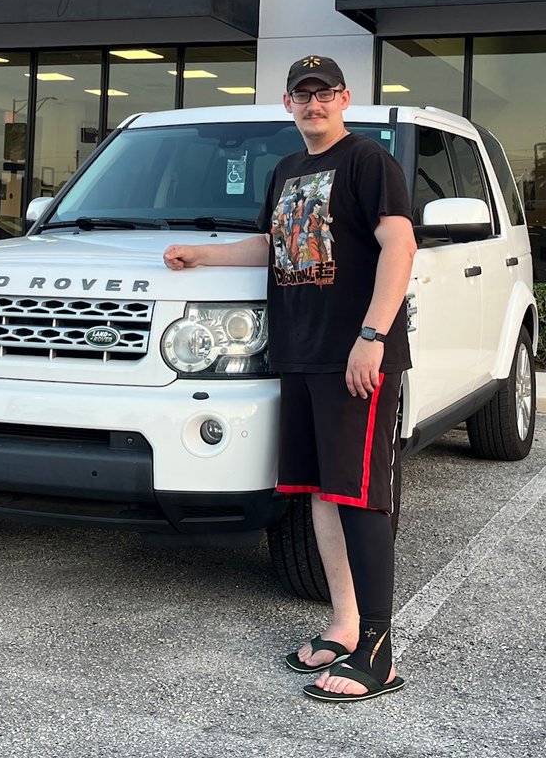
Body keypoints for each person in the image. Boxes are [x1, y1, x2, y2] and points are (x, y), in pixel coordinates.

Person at [163, 56, 416, 704]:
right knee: (322, 495)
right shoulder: (286, 171)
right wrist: (203, 256)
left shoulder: (368, 163)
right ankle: (344, 625)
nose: (314, 104)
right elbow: (273, 247)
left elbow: (400, 246)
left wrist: (372, 336)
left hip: (352, 359)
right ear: (288, 103)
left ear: (344, 98)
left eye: (324, 93)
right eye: (303, 95)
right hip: (300, 354)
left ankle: (379, 654)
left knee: (361, 497)